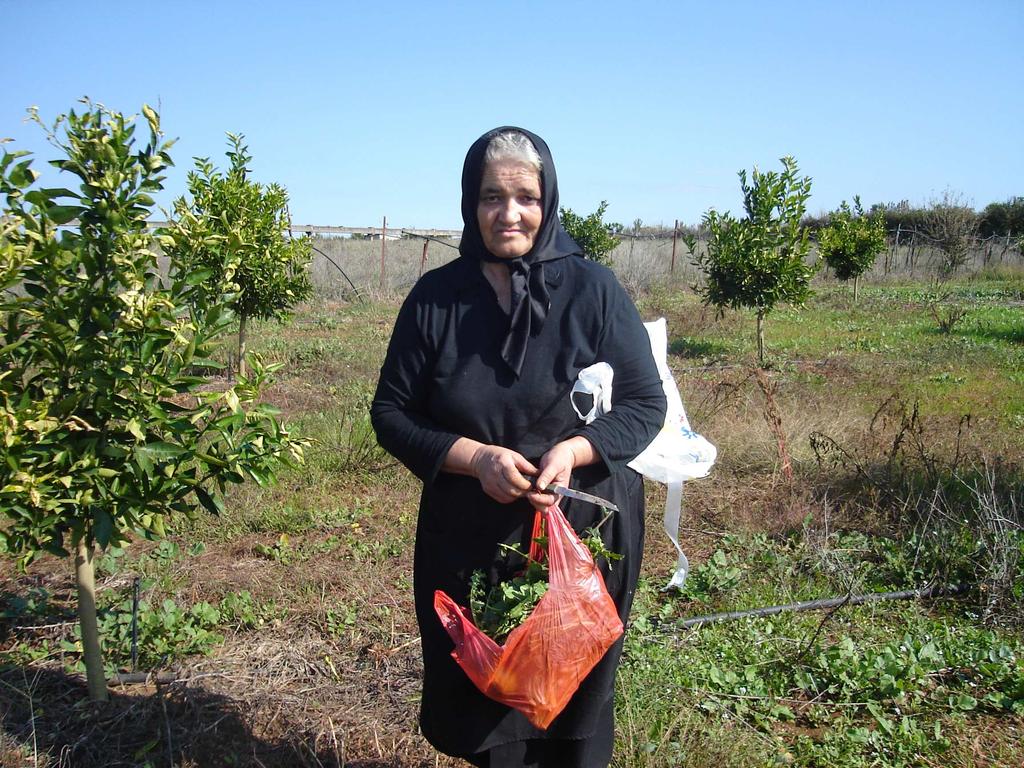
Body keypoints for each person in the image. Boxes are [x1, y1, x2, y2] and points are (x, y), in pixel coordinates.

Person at [371, 126, 666, 767]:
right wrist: (476, 458)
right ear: (469, 204)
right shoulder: (435, 301)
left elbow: (647, 405)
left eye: (526, 197)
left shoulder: (594, 290)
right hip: (471, 534)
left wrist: (576, 451)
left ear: (549, 200)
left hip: (581, 532)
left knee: (572, 707)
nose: (510, 213)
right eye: (491, 196)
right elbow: (392, 414)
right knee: (489, 707)